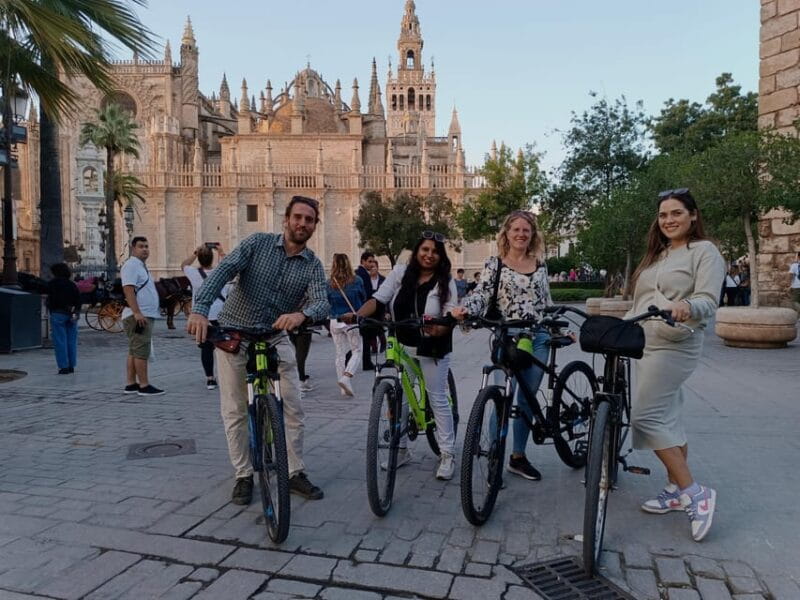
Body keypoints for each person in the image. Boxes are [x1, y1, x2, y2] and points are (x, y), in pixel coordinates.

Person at [187, 196, 329, 505]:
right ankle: (243, 475)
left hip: (274, 336)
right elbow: (222, 272)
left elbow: (321, 301)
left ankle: (294, 472)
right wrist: (200, 309)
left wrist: (301, 315)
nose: (302, 223)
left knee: (293, 405)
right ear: (286, 219)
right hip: (234, 334)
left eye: (309, 219)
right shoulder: (257, 244)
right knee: (235, 409)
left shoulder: (313, 265)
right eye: (298, 217)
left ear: (315, 225)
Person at [628, 188, 724, 542]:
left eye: (676, 213)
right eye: (664, 214)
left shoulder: (705, 251)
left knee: (646, 416)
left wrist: (687, 305)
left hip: (676, 342)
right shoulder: (658, 256)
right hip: (645, 343)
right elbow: (641, 301)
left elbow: (708, 299)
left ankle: (695, 494)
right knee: (667, 416)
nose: (669, 220)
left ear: (693, 216)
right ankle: (673, 489)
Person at [343, 231, 459, 480]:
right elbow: (379, 299)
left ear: (441, 256)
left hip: (433, 345)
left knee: (436, 397)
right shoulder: (400, 273)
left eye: (435, 251)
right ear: (417, 251)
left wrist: (440, 326)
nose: (429, 255)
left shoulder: (444, 281)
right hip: (404, 341)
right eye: (425, 250)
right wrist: (358, 315)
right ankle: (402, 450)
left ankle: (447, 454)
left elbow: (450, 314)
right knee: (402, 398)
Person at [452, 210, 553, 482]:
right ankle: (495, 457)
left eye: (526, 230)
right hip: (507, 337)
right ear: (506, 234)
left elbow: (546, 303)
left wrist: (559, 326)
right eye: (516, 229)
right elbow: (482, 294)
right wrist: (465, 309)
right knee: (501, 398)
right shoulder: (494, 264)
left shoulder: (540, 264)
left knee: (527, 398)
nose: (521, 234)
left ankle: (517, 457)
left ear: (532, 235)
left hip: (537, 338)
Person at [181, 244, 229, 389]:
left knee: (206, 349)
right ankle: (227, 377)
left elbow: (183, 265)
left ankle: (210, 379)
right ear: (212, 258)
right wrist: (221, 251)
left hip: (204, 316)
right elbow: (227, 264)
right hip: (221, 315)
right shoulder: (220, 272)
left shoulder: (194, 273)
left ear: (200, 260)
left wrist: (195, 253)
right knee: (225, 348)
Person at [121, 236, 164, 396]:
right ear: (133, 248)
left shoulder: (140, 266)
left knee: (134, 350)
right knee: (141, 350)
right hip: (138, 316)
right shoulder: (131, 265)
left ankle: (131, 384)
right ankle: (144, 386)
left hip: (142, 314)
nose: (145, 249)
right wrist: (137, 312)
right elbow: (128, 289)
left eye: (147, 246)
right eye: (141, 246)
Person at [327, 253, 367, 396]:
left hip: (335, 320)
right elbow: (364, 299)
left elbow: (327, 303)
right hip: (351, 320)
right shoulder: (357, 281)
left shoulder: (329, 283)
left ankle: (343, 387)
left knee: (339, 353)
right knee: (356, 350)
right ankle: (347, 376)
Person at [46, 263, 80, 374]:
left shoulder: (53, 284)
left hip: (58, 313)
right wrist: (75, 313)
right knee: (71, 340)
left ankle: (63, 366)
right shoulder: (72, 284)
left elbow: (51, 298)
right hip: (72, 314)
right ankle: (71, 365)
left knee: (60, 340)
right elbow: (78, 300)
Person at [355, 251, 379, 370]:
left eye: (373, 262)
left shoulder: (362, 273)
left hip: (363, 308)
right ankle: (366, 362)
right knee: (365, 337)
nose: (371, 264)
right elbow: (365, 293)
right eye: (369, 261)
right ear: (363, 261)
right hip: (365, 309)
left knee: (365, 337)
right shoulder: (362, 274)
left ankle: (366, 361)